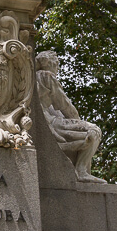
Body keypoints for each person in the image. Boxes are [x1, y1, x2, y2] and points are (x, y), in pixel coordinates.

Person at [35, 51, 107, 184]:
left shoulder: (33, 78)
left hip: (44, 123)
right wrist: (78, 122)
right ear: (51, 63)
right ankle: (81, 171)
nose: (57, 68)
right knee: (94, 131)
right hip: (51, 124)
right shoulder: (46, 76)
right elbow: (65, 105)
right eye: (56, 65)